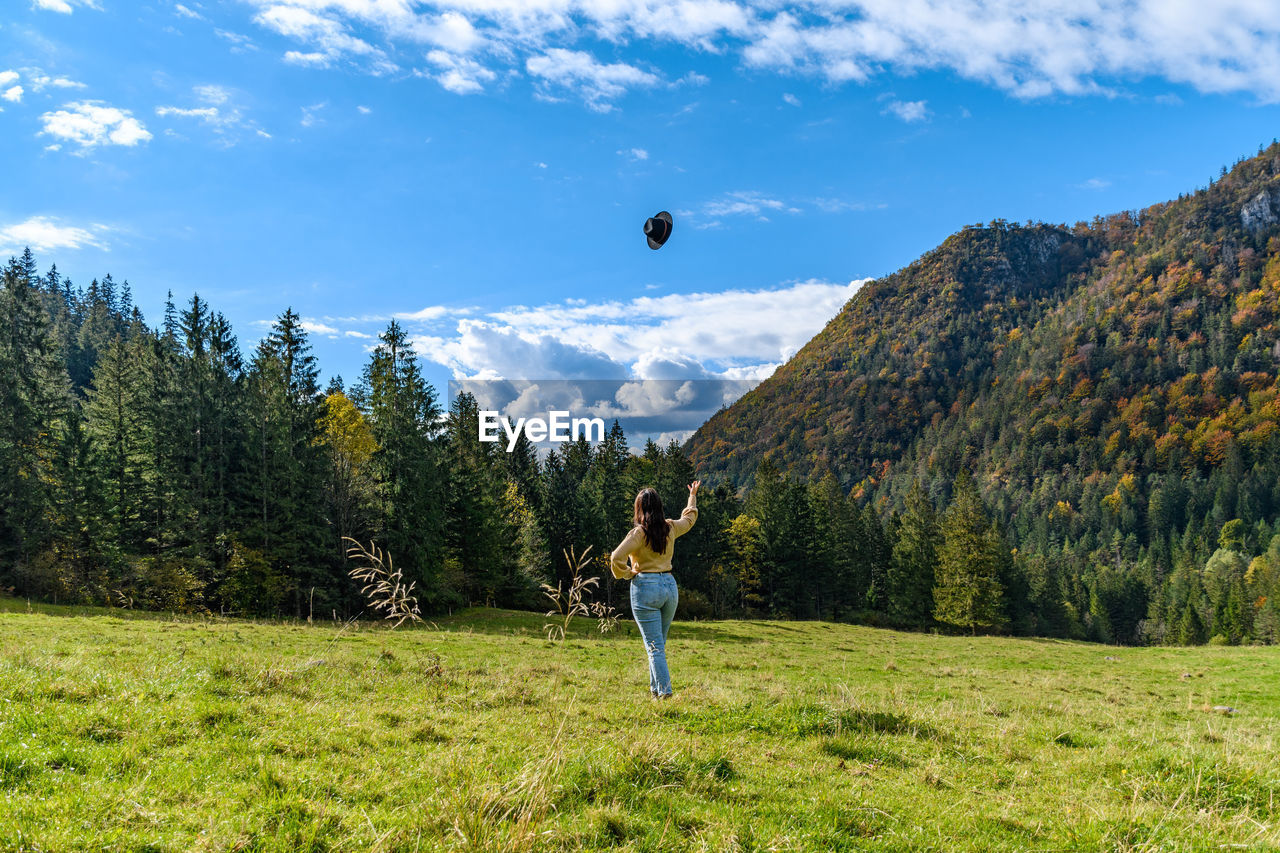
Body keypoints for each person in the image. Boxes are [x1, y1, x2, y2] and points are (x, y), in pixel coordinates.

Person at [610, 480, 700, 699]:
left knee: (654, 647)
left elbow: (615, 557)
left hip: (646, 587)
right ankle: (655, 691)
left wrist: (626, 573)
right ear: (659, 507)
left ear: (639, 509)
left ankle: (664, 692)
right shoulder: (670, 527)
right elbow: (689, 519)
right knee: (658, 644)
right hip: (669, 587)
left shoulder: (639, 533)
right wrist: (692, 496)